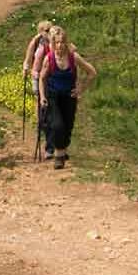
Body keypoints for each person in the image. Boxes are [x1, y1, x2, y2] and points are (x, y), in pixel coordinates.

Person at [33, 26, 98, 169]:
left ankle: (62, 150)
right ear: (53, 43)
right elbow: (42, 79)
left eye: (62, 42)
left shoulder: (73, 57)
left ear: (66, 43)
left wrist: (80, 89)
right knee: (57, 125)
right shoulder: (48, 59)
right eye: (57, 42)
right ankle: (59, 155)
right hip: (53, 95)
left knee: (68, 127)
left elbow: (92, 72)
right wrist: (43, 96)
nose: (60, 45)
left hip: (69, 96)